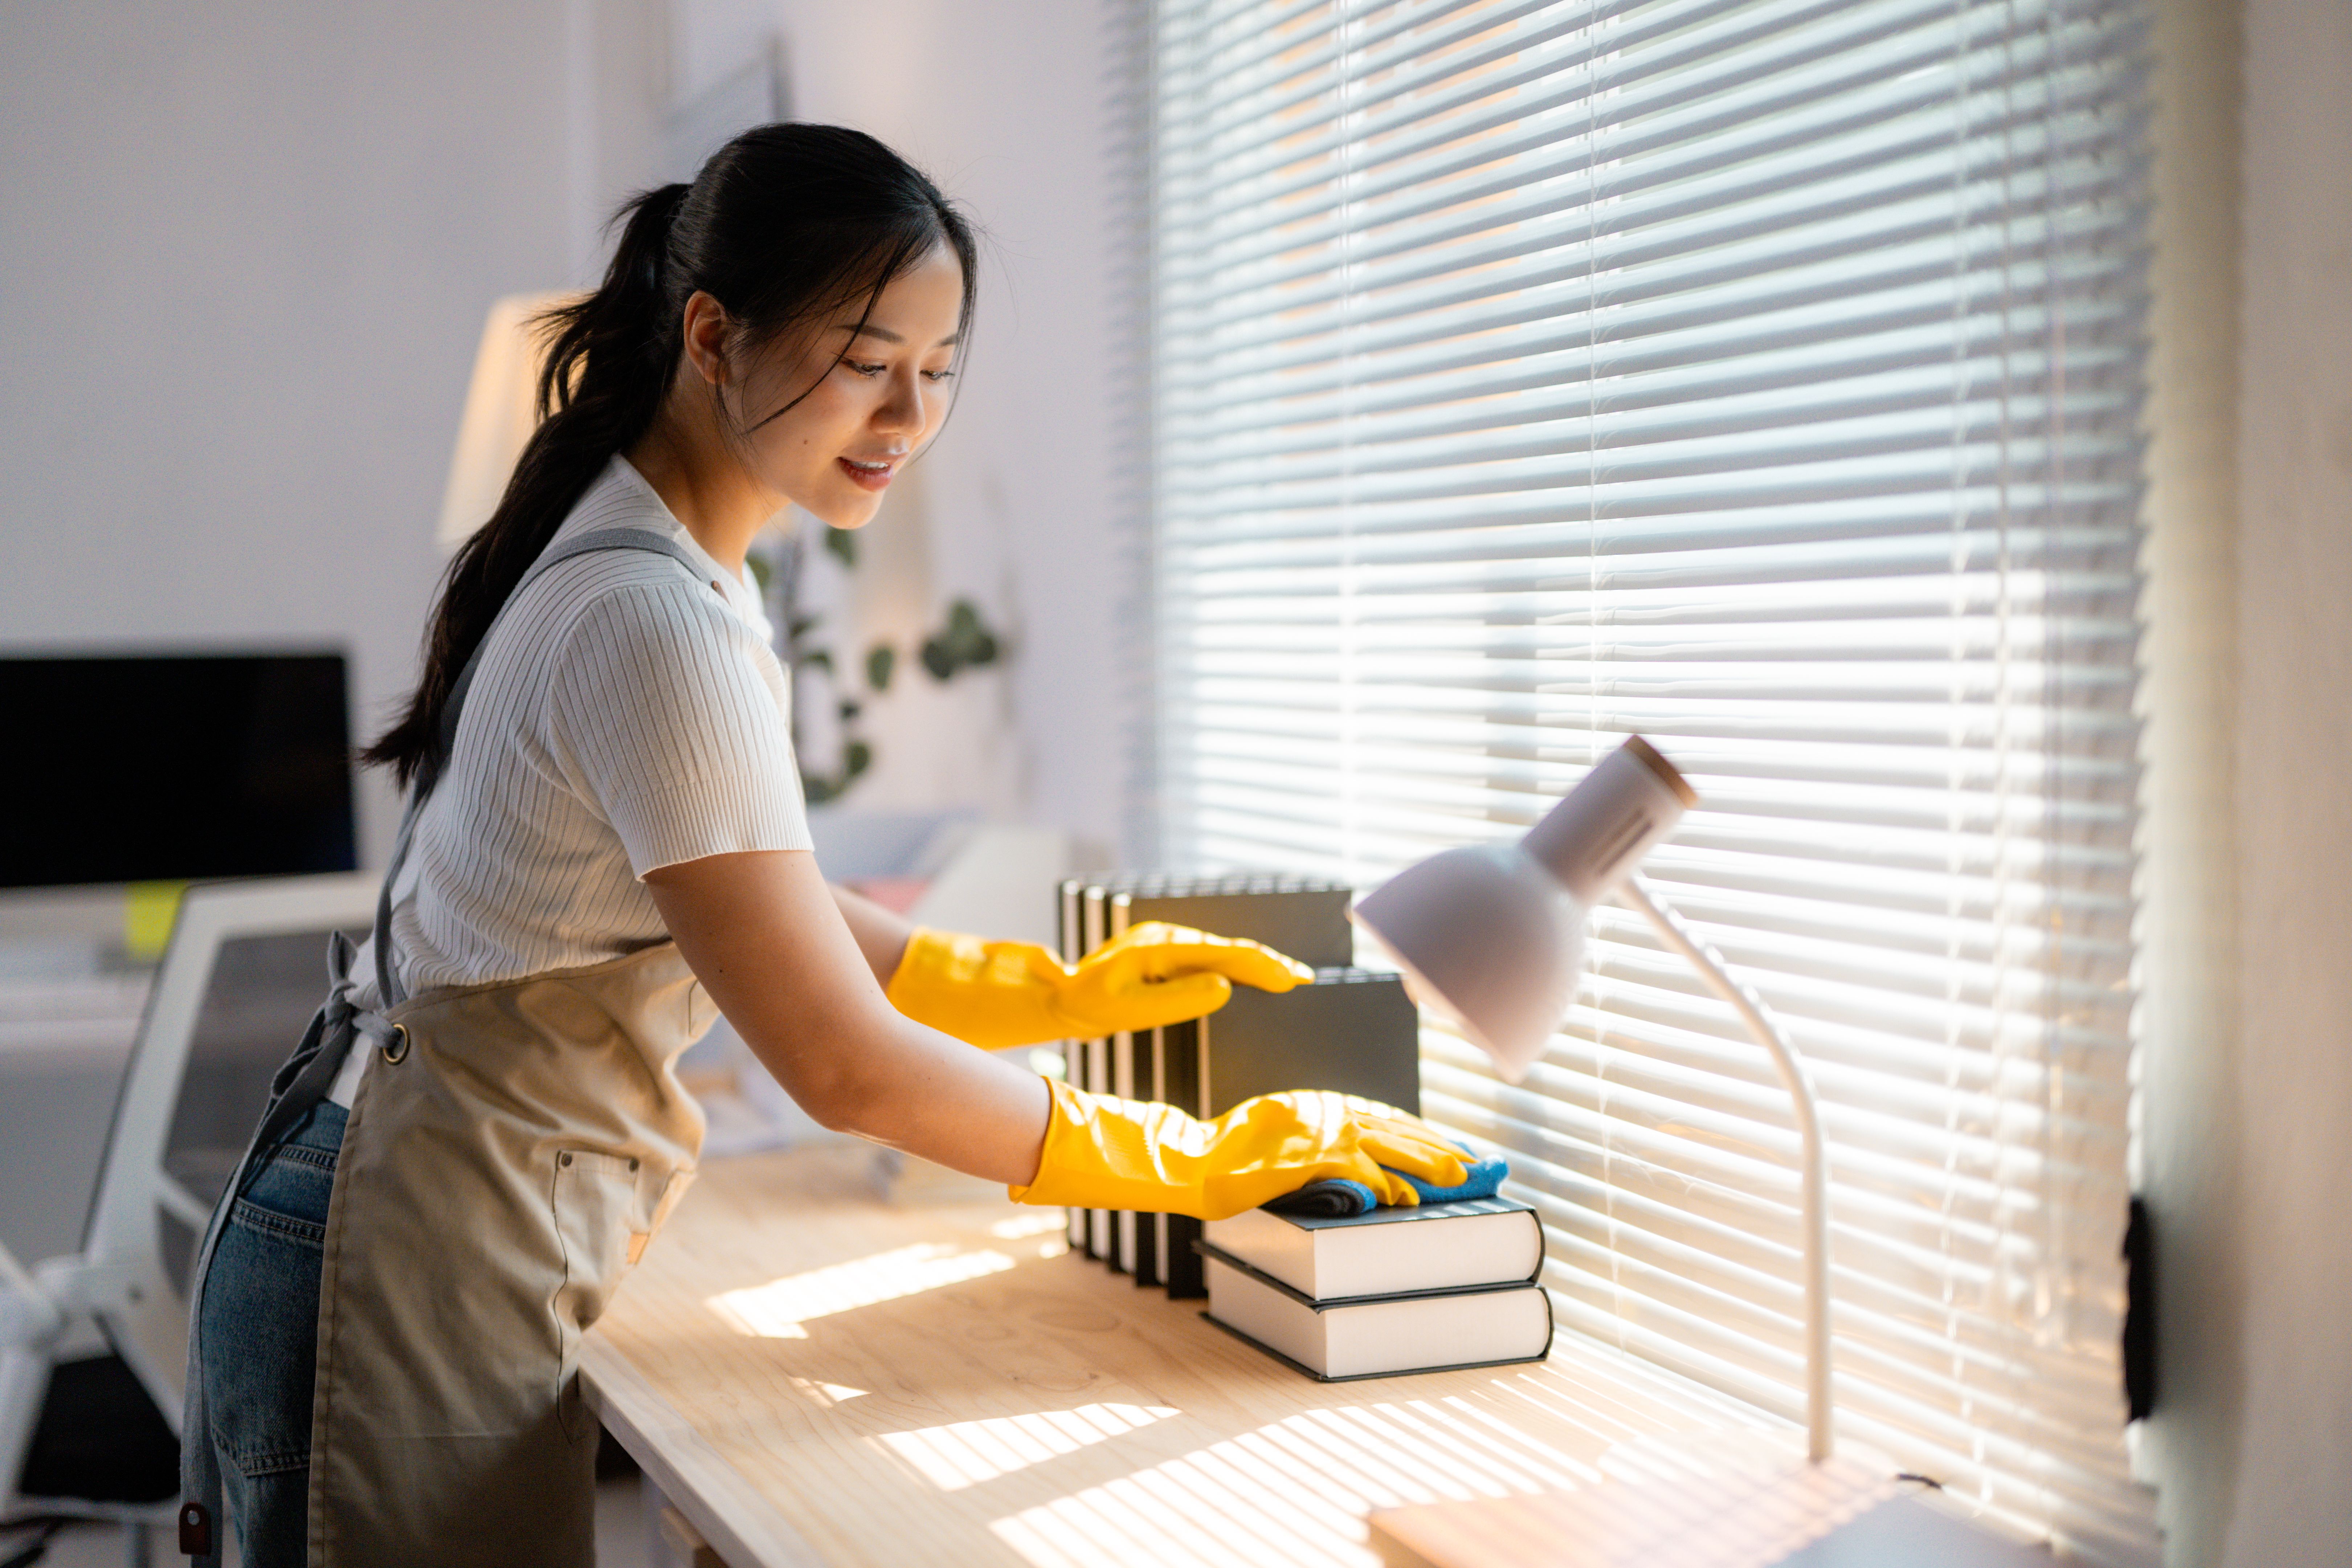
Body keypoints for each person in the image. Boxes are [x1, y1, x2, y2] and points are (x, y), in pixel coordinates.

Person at [182, 123, 1467, 1568]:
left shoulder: (677, 567)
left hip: (400, 1225)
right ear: (715, 336)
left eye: (937, 367)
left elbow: (762, 907)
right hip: (401, 1264)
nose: (909, 414)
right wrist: (1197, 1156)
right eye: (867, 359)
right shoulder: (653, 617)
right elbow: (840, 1063)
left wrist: (1061, 989)